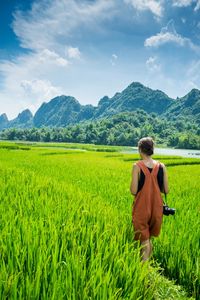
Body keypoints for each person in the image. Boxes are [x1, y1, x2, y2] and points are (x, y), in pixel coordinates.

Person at [130, 136, 169, 262]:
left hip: (142, 208)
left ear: (140, 150)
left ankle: (143, 273)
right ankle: (147, 269)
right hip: (157, 209)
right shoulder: (162, 166)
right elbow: (166, 190)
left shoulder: (137, 166)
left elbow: (133, 191)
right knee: (147, 240)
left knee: (144, 241)